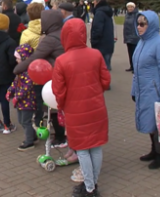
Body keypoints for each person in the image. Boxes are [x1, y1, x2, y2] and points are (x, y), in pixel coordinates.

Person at [52, 18, 111, 197]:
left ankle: (89, 187)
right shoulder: (96, 55)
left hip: (75, 110)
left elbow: (58, 91)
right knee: (96, 145)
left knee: (83, 149)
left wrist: (62, 106)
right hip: (97, 107)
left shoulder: (62, 61)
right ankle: (92, 183)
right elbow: (106, 81)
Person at [13, 10, 66, 147]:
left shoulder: (50, 39)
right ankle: (63, 135)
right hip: (65, 73)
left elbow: (35, 57)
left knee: (53, 108)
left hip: (56, 76)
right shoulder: (63, 33)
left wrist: (18, 69)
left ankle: (61, 138)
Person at [131, 10, 160, 170]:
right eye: (138, 23)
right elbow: (136, 69)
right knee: (150, 122)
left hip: (155, 91)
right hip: (143, 90)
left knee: (158, 123)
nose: (139, 27)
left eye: (143, 24)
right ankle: (154, 150)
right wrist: (134, 90)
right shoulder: (141, 42)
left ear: (151, 25)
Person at [7, 44, 37, 151]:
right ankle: (33, 135)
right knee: (21, 120)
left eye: (18, 58)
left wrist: (17, 97)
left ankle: (29, 141)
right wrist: (10, 91)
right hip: (21, 102)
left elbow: (26, 87)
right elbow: (15, 82)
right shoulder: (21, 70)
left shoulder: (29, 72)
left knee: (26, 121)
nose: (16, 60)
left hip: (27, 101)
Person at [90, 0, 115, 71]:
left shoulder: (100, 13)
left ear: (98, 1)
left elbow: (97, 29)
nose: (93, 2)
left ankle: (105, 83)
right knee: (106, 66)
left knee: (101, 68)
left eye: (94, 0)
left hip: (101, 44)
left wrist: (93, 41)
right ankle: (106, 82)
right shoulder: (107, 11)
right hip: (108, 43)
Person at [123, 2, 140, 72]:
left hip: (135, 36)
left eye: (131, 7)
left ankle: (136, 67)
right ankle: (132, 66)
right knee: (130, 53)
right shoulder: (127, 15)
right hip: (128, 36)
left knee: (135, 53)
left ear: (134, 7)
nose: (130, 8)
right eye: (128, 7)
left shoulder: (137, 15)